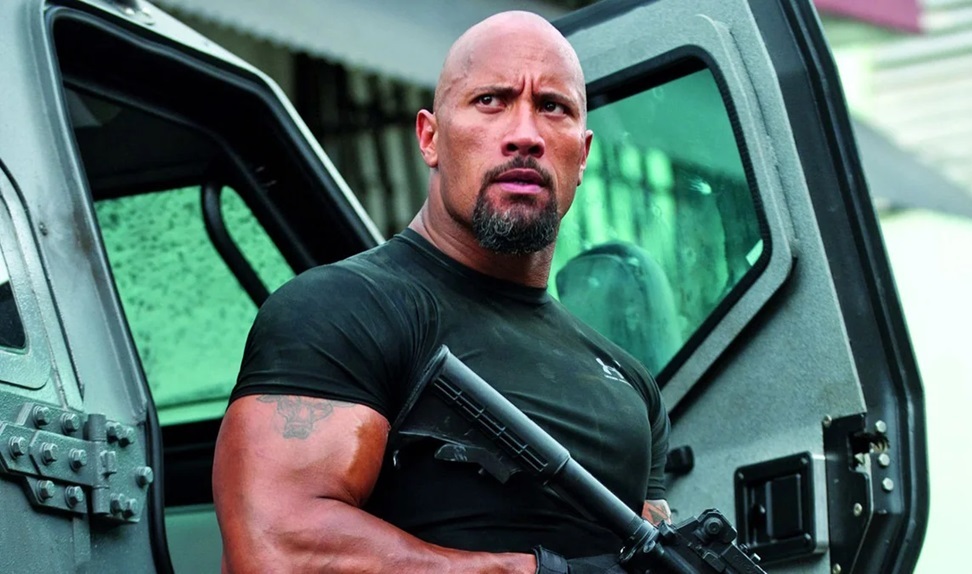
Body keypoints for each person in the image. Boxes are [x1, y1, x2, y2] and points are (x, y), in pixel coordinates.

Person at [212, 11, 670, 573]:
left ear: (583, 153)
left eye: (553, 107)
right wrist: (544, 572)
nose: (525, 135)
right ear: (430, 138)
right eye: (491, 101)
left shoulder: (630, 386)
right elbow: (278, 549)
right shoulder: (340, 310)